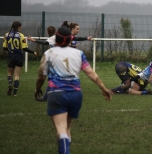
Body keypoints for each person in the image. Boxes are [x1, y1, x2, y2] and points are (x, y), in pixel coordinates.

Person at [34, 26, 112, 154]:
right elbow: (92, 74)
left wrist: (38, 89)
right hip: (76, 95)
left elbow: (41, 77)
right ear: (70, 40)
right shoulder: (78, 53)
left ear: (56, 39)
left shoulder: (49, 53)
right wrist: (103, 88)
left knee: (60, 129)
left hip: (57, 94)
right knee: (67, 128)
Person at [3, 21, 37, 96]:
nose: (21, 28)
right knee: (17, 75)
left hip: (11, 56)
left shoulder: (7, 34)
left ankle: (10, 84)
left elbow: (4, 47)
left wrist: (10, 50)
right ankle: (15, 94)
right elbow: (24, 48)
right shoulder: (21, 35)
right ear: (18, 27)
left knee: (9, 73)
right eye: (20, 27)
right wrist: (33, 52)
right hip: (19, 56)